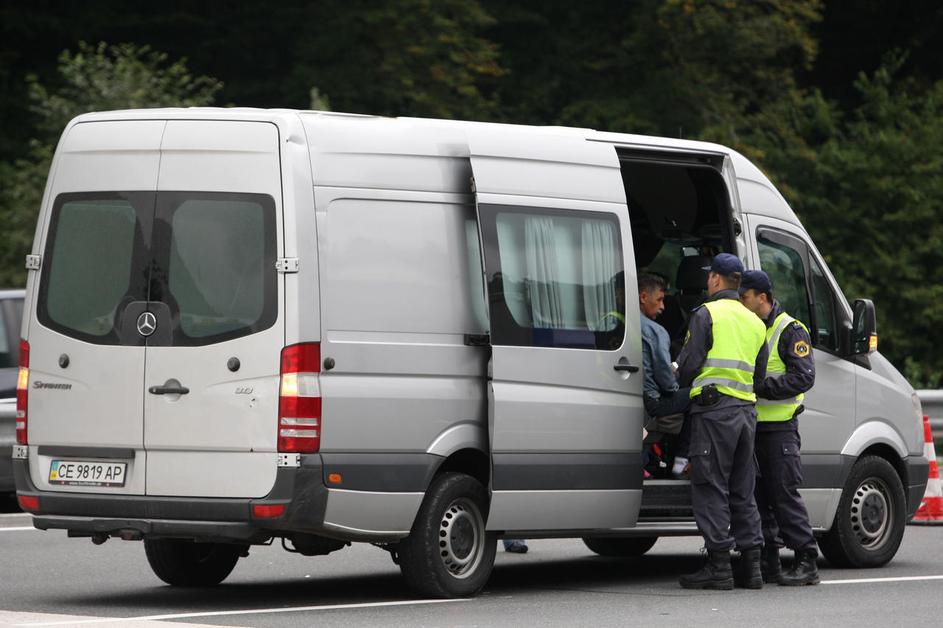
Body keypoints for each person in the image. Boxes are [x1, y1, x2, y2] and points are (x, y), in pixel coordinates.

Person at [675, 253, 768, 590]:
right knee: (743, 489)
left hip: (714, 413)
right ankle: (752, 568)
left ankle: (719, 567)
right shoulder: (755, 322)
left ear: (715, 279)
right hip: (746, 414)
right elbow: (759, 376)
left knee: (711, 485)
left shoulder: (707, 314)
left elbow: (689, 366)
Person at [739, 270, 819, 586]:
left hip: (780, 429)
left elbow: (803, 377)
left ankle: (806, 560)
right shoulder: (749, 325)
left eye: (745, 297)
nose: (741, 302)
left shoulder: (790, 330)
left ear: (762, 297)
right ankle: (769, 561)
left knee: (784, 495)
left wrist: (762, 388)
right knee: (758, 498)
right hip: (753, 427)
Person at [638, 273, 691, 477]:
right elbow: (665, 380)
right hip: (653, 401)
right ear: (643, 297)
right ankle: (681, 459)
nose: (662, 307)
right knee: (698, 396)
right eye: (659, 300)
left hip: (636, 395)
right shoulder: (655, 331)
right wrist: (675, 384)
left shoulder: (617, 322)